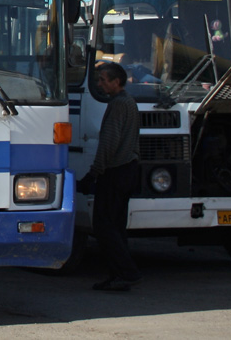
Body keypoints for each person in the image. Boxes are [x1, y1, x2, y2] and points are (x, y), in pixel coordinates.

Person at [77, 61, 142, 292]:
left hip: (116, 171)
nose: (100, 83)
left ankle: (127, 272)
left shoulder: (118, 105)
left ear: (117, 82)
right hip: (128, 169)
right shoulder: (129, 103)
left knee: (104, 226)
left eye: (104, 80)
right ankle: (117, 275)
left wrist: (93, 173)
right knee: (116, 225)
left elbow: (109, 143)